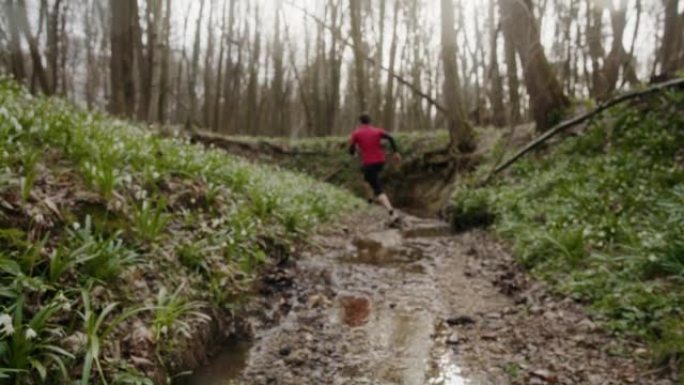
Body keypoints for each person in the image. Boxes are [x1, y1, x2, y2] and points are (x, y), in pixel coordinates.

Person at [348, 113, 401, 220]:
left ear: (360, 122)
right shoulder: (377, 130)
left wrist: (354, 153)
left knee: (376, 187)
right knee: (366, 179)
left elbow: (351, 149)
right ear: (370, 121)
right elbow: (390, 137)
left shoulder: (357, 133)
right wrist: (395, 152)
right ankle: (370, 201)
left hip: (369, 163)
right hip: (380, 161)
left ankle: (391, 211)